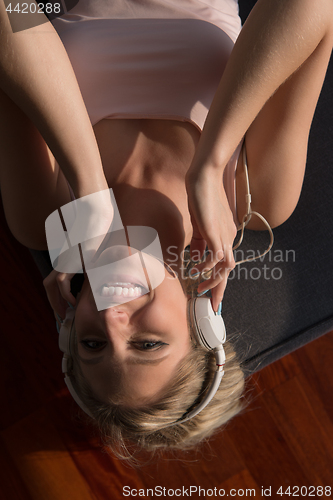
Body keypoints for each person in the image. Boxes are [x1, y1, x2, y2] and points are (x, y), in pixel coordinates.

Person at [1, 0, 332, 458]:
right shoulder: (260, 199)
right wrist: (212, 161)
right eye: (147, 343)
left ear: (70, 323)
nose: (113, 321)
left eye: (92, 343)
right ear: (202, 322)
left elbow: (12, 11)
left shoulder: (42, 217)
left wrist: (89, 189)